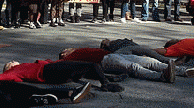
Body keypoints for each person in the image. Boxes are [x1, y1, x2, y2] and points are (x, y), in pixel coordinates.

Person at [59, 47, 194, 83]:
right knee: (133, 67)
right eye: (65, 50)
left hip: (112, 55)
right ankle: (161, 77)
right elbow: (56, 65)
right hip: (105, 62)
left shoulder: (78, 50)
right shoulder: (68, 59)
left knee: (148, 61)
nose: (67, 49)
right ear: (63, 54)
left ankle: (182, 70)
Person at [0, 59, 123, 93]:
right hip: (49, 71)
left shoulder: (20, 69)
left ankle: (107, 78)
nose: (14, 60)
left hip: (52, 71)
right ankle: (105, 83)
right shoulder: (15, 70)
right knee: (91, 65)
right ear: (10, 66)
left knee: (81, 70)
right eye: (11, 62)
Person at [100, 38, 172, 64]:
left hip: (132, 47)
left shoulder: (117, 41)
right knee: (145, 58)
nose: (106, 41)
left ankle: (168, 61)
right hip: (125, 50)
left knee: (149, 53)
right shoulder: (110, 47)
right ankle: (166, 63)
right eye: (105, 42)